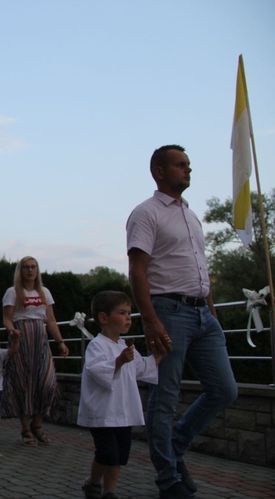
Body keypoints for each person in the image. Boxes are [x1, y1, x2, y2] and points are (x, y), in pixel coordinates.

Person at [127, 144, 238, 499]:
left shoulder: (191, 216)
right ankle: (168, 479)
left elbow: (198, 267)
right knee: (165, 398)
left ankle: (174, 448)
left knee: (225, 390)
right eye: (180, 165)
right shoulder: (146, 213)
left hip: (202, 315)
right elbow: (138, 270)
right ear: (159, 171)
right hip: (168, 313)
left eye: (188, 165)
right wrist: (149, 319)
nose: (188, 170)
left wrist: (211, 310)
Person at [78, 291, 162, 499]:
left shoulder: (125, 347)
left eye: (129, 313)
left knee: (119, 456)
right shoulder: (96, 345)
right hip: (103, 413)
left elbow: (142, 369)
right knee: (107, 453)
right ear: (104, 318)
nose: (128, 318)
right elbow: (96, 371)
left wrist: (158, 355)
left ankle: (110, 492)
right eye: (122, 313)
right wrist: (118, 362)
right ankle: (93, 482)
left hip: (123, 413)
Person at [1, 256, 69, 447]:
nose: (30, 270)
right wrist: (11, 330)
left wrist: (60, 342)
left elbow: (51, 319)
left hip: (40, 339)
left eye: (33, 267)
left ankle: (37, 423)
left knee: (47, 382)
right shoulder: (12, 292)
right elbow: (7, 318)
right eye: (26, 267)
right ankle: (26, 429)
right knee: (23, 382)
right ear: (20, 270)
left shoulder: (44, 291)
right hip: (21, 339)